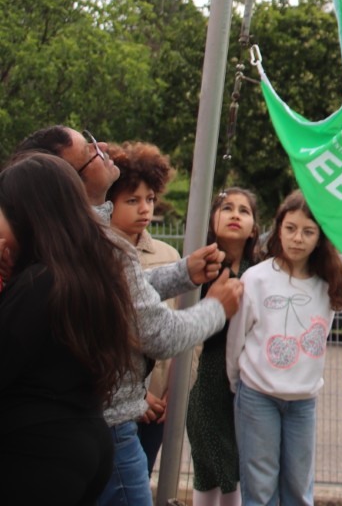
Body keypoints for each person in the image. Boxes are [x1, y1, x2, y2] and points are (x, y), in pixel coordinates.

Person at [12, 126, 244, 506]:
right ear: (66, 178)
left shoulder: (61, 236)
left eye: (149, 199)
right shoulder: (100, 245)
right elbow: (160, 332)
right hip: (111, 426)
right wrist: (217, 306)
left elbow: (118, 293)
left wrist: (182, 273)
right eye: (90, 148)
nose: (103, 146)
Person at [0, 153, 139, 505]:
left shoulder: (38, 284)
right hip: (81, 442)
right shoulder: (87, 275)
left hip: (37, 452)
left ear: (25, 215)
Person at [227, 190, 342, 506]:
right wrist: (237, 385)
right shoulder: (256, 279)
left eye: (308, 231)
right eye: (290, 228)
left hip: (303, 402)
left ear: (320, 237)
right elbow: (236, 340)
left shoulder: (328, 287)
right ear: (278, 228)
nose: (298, 238)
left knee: (298, 489)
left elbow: (317, 342)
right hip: (257, 397)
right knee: (260, 489)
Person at [107, 142, 182, 477]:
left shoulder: (169, 256)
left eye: (150, 199)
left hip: (160, 406)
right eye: (132, 200)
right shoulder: (98, 255)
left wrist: (173, 391)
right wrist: (137, 397)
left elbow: (177, 330)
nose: (144, 208)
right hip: (113, 406)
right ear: (109, 204)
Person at [187, 188, 262, 506]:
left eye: (244, 210)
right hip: (209, 386)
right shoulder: (198, 270)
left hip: (251, 386)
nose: (235, 214)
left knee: (237, 470)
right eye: (227, 207)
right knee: (209, 469)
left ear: (254, 228)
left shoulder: (260, 275)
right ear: (212, 218)